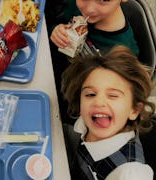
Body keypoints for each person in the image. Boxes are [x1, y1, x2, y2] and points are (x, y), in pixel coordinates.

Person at [61, 45, 155, 179]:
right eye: (91, 94)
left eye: (113, 96)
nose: (98, 102)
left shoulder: (129, 173)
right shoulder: (85, 122)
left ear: (134, 110)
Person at [44, 0, 139, 125]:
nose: (89, 9)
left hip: (73, 107)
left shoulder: (121, 54)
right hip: (52, 73)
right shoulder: (79, 7)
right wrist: (55, 31)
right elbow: (56, 20)